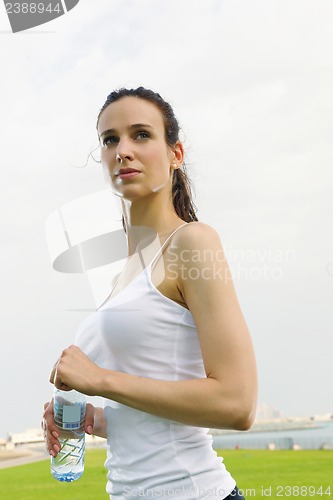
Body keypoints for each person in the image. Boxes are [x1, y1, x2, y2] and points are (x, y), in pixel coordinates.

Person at [43, 87, 257, 499]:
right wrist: (95, 419)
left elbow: (238, 403)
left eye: (141, 134)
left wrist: (101, 379)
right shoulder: (123, 274)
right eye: (110, 139)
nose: (123, 150)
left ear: (175, 154)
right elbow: (156, 413)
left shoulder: (193, 242)